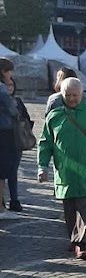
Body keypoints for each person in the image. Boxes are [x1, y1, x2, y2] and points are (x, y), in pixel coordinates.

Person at [37, 77, 86, 259]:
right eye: (68, 95)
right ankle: (74, 239)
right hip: (65, 171)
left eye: (75, 95)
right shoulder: (54, 116)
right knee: (69, 208)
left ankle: (83, 243)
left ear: (82, 94)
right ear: (61, 94)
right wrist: (42, 167)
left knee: (84, 207)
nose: (72, 98)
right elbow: (45, 143)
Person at [3, 73, 31, 211]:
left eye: (11, 85)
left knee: (13, 171)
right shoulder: (5, 102)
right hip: (5, 138)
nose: (9, 88)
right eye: (7, 85)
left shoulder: (18, 101)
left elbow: (26, 118)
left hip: (16, 140)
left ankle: (14, 200)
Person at [0, 59, 20, 215]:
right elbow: (12, 110)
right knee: (4, 171)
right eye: (9, 71)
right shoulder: (1, 88)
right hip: (4, 130)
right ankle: (0, 207)